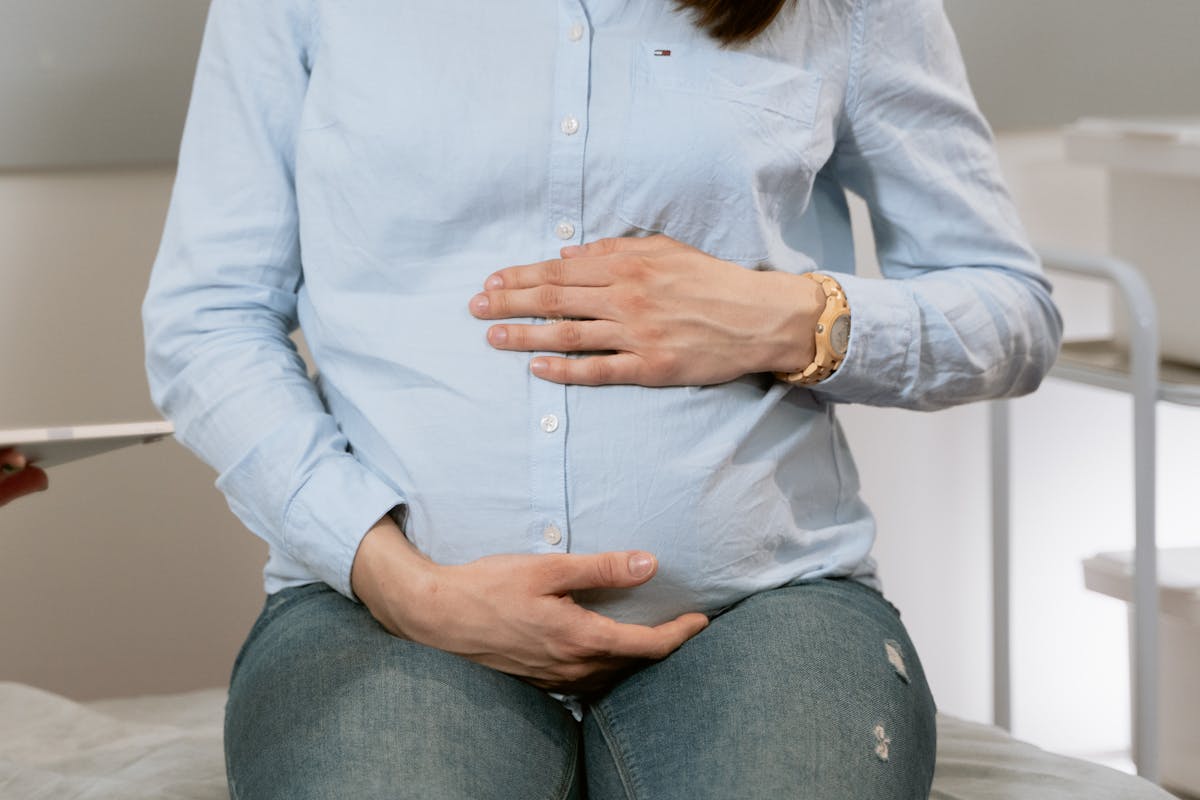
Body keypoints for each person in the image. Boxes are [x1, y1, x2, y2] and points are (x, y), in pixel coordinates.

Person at [143, 0, 1062, 797]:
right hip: (383, 613)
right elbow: (208, 319)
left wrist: (788, 318)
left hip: (763, 605)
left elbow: (1010, 311)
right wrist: (403, 585)